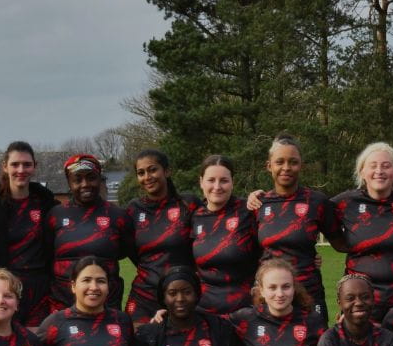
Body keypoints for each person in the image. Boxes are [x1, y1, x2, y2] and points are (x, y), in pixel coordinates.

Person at [329, 142, 393, 321]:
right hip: (361, 300)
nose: (379, 171)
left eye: (386, 165)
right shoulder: (346, 202)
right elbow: (308, 211)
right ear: (362, 172)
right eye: (372, 166)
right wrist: (262, 198)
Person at [252, 135, 338, 311]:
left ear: (301, 165)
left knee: (314, 338)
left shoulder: (317, 202)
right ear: (269, 166)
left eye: (293, 162)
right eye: (279, 162)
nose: (286, 168)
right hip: (271, 294)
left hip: (309, 289)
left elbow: (342, 243)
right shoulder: (258, 204)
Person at [46, 154, 134, 312]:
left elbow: (130, 253)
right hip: (62, 305)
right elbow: (44, 256)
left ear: (100, 179)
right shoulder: (55, 215)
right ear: (69, 182)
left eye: (91, 178)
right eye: (77, 179)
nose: (85, 184)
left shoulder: (118, 216)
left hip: (105, 304)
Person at [0, 141, 58, 327]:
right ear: (5, 166)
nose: (21, 170)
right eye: (15, 164)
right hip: (5, 288)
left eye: (27, 164)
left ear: (35, 167)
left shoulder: (47, 204)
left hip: (38, 289)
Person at [126, 149, 197, 323]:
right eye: (141, 173)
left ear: (166, 171)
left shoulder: (189, 204)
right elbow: (129, 250)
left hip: (181, 294)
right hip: (144, 295)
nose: (147, 177)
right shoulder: (133, 209)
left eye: (152, 169)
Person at [190, 155, 261, 315]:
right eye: (211, 180)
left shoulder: (249, 210)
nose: (217, 186)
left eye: (224, 180)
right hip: (203, 312)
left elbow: (272, 250)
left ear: (232, 182)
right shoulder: (195, 216)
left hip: (244, 311)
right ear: (201, 182)